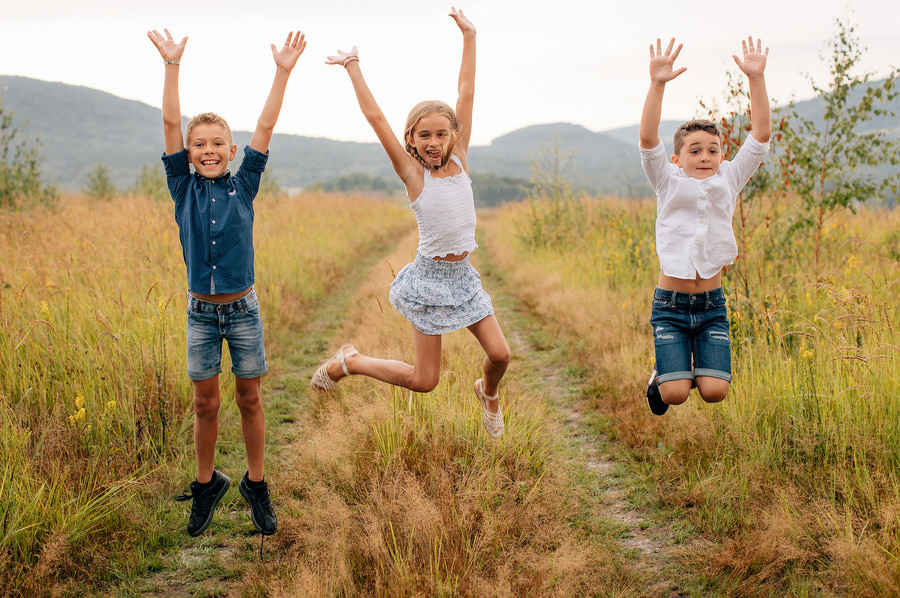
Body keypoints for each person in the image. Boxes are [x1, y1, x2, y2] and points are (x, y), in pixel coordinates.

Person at [312, 8, 510, 438]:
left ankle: (487, 393)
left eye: (442, 134)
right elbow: (376, 119)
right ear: (411, 140)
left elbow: (467, 92)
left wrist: (470, 36)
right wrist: (352, 66)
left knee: (500, 355)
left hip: (464, 277)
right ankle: (351, 362)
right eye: (424, 135)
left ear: (453, 136)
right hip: (429, 280)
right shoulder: (413, 175)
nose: (434, 142)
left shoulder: (460, 160)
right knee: (425, 380)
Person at [147, 27, 306, 536]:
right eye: (200, 145)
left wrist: (282, 72)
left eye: (218, 143)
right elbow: (171, 120)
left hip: (243, 311)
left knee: (250, 399)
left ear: (232, 150)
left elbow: (267, 123)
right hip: (199, 313)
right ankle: (206, 484)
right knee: (204, 403)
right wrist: (172, 66)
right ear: (189, 153)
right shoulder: (181, 188)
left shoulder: (245, 185)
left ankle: (255, 484)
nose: (208, 150)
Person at [639, 37, 771, 415]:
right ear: (677, 158)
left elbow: (760, 135)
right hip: (670, 305)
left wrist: (756, 78)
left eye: (712, 150)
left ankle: (679, 366)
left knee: (714, 391)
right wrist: (657, 83)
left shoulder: (729, 179)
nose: (705, 156)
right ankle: (665, 376)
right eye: (694, 150)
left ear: (722, 155)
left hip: (712, 305)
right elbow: (648, 140)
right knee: (676, 394)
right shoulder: (666, 180)